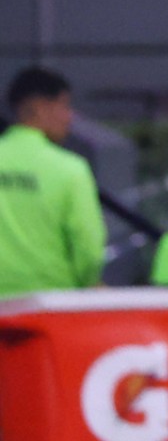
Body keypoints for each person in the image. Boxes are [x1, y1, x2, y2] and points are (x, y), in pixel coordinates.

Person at [0, 67, 105, 298]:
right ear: (39, 107)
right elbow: (89, 251)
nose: (69, 117)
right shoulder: (70, 169)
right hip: (51, 304)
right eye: (64, 106)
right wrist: (89, 282)